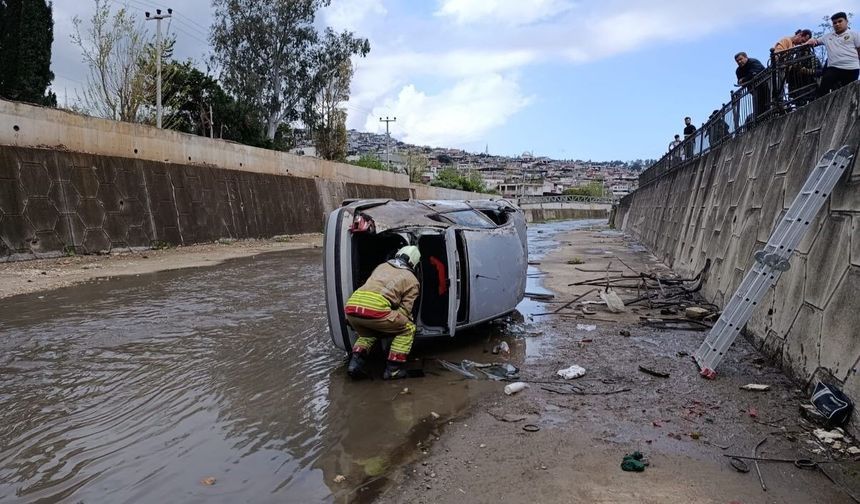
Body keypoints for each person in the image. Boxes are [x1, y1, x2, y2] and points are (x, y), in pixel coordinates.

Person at [345, 245, 421, 380]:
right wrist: (397, 321)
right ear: (414, 262)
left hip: (352, 308)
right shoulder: (412, 280)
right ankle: (393, 370)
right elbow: (405, 310)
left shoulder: (382, 266)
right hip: (375, 310)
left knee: (369, 332)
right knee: (408, 328)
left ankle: (354, 365)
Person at [808, 12, 860, 97]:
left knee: (849, 94)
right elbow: (816, 41)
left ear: (846, 21)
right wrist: (812, 40)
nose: (837, 24)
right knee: (822, 90)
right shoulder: (827, 37)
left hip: (851, 68)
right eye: (834, 23)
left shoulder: (854, 34)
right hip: (834, 68)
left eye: (840, 21)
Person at [734, 52, 768, 121]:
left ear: (746, 57)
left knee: (766, 102)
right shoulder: (738, 70)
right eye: (737, 61)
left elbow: (755, 73)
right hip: (753, 89)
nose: (739, 62)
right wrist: (744, 80)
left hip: (764, 85)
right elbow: (740, 82)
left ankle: (765, 116)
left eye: (740, 59)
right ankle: (760, 118)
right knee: (758, 106)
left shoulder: (753, 62)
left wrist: (744, 79)